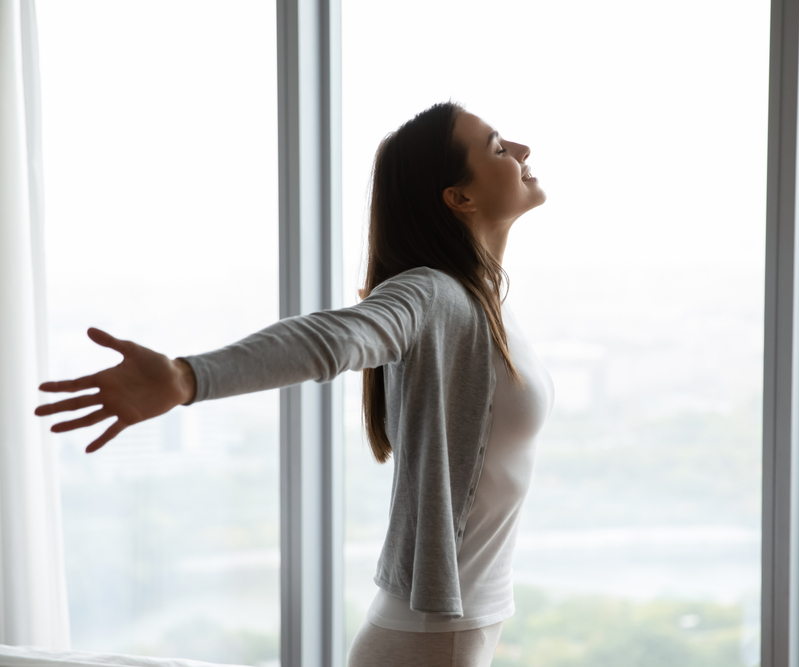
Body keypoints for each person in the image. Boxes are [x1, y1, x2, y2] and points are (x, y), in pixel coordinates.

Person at [35, 100, 554, 667]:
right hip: (429, 641)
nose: (523, 151)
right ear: (459, 196)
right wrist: (188, 377)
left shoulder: (484, 304)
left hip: (453, 630)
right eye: (499, 148)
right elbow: (334, 338)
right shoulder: (432, 293)